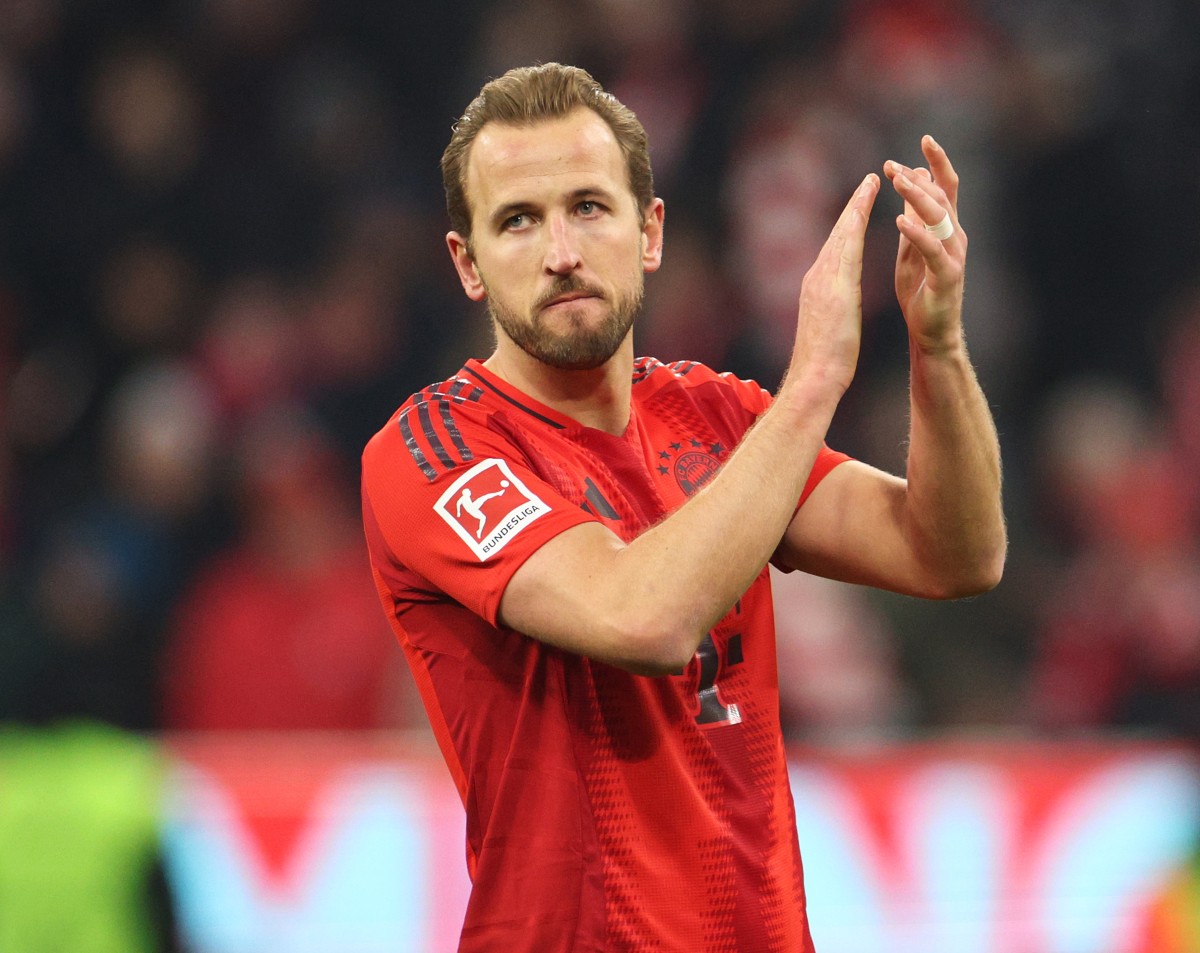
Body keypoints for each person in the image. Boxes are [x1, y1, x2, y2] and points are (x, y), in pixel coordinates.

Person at [360, 62, 1005, 952]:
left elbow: (954, 553)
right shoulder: (432, 450)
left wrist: (937, 345)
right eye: (518, 220)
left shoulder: (718, 420)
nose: (561, 252)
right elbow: (642, 614)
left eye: (588, 206)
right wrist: (814, 378)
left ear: (650, 231)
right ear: (468, 264)